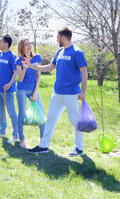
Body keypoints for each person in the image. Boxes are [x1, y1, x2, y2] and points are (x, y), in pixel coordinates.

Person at [26, 26, 88, 157]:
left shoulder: (77, 52)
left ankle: (79, 148)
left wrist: (83, 92)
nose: (56, 39)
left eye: (58, 37)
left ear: (63, 38)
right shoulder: (60, 52)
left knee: (75, 121)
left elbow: (84, 72)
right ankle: (43, 146)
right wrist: (32, 66)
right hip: (57, 93)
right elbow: (49, 67)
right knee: (50, 120)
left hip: (72, 94)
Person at [15, 38, 45, 148]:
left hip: (33, 89)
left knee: (41, 114)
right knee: (22, 115)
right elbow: (20, 79)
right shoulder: (18, 60)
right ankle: (22, 140)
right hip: (21, 90)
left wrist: (35, 92)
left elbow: (38, 76)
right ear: (22, 47)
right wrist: (24, 68)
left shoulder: (37, 58)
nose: (29, 46)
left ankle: (43, 140)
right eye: (26, 44)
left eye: (29, 44)